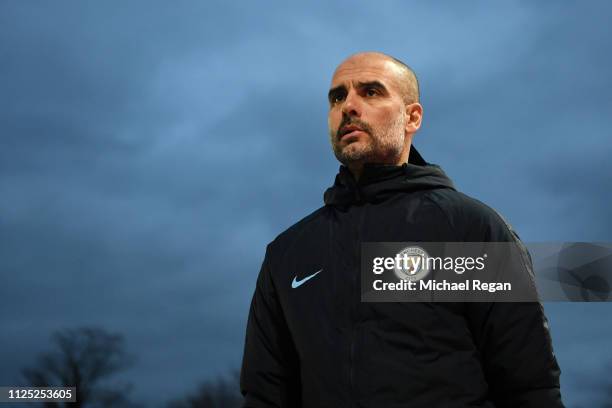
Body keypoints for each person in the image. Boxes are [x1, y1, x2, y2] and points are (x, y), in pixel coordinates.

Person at [240, 52, 563, 407]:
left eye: (371, 92)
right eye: (337, 97)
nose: (348, 106)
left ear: (412, 117)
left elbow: (530, 387)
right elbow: (264, 395)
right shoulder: (288, 253)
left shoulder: (471, 229)